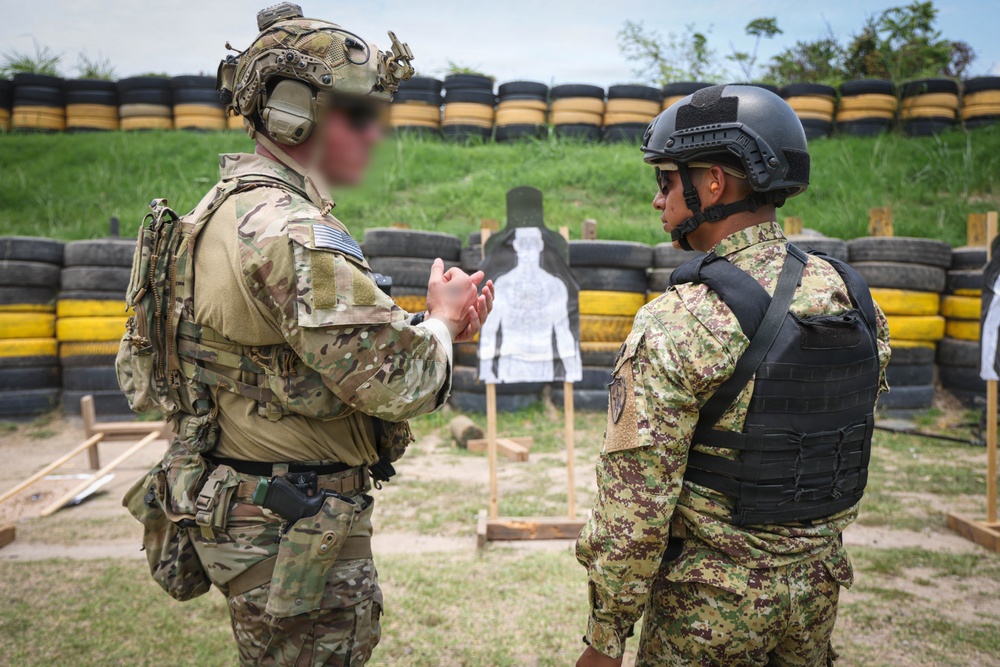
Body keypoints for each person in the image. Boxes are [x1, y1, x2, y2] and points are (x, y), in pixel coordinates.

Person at [121, 4, 493, 666]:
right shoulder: (286, 229)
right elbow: (398, 379)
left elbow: (296, 354)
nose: (374, 133)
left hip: (263, 513)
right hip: (291, 528)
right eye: (358, 114)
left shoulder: (228, 207)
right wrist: (443, 321)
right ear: (294, 108)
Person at [575, 84, 891, 667]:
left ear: (713, 184)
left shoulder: (681, 318)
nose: (658, 200)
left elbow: (636, 509)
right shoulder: (853, 296)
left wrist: (605, 636)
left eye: (667, 181)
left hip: (708, 611)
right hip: (817, 598)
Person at [479, 226, 582, 383]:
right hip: (509, 362)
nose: (528, 249)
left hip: (543, 362)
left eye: (533, 243)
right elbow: (489, 329)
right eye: (523, 244)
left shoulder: (554, 286)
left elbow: (563, 331)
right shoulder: (503, 285)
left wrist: (572, 370)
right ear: (516, 246)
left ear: (540, 246)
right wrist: (486, 370)